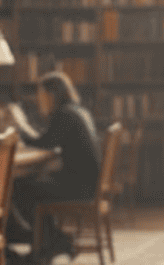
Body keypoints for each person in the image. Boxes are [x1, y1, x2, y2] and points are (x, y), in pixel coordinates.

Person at [10, 70, 101, 262]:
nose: (38, 100)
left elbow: (43, 143)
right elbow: (49, 140)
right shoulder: (77, 111)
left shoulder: (65, 114)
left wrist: (21, 124)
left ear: (51, 95)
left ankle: (48, 244)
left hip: (79, 187)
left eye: (41, 95)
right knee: (31, 184)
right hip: (87, 183)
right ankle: (53, 241)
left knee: (21, 188)